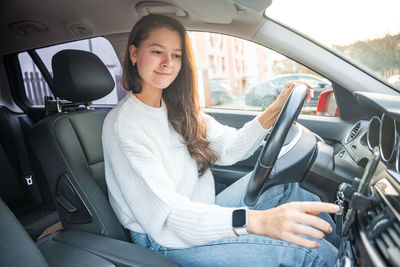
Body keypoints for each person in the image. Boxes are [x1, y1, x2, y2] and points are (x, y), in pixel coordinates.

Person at [102, 14, 340, 266]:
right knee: (308, 251)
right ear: (134, 53)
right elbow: (169, 217)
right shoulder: (124, 126)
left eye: (176, 55)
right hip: (163, 237)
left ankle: (344, 254)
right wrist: (259, 221)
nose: (167, 63)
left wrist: (276, 109)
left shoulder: (178, 109)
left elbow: (229, 148)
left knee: (292, 180)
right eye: (157, 52)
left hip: (202, 209)